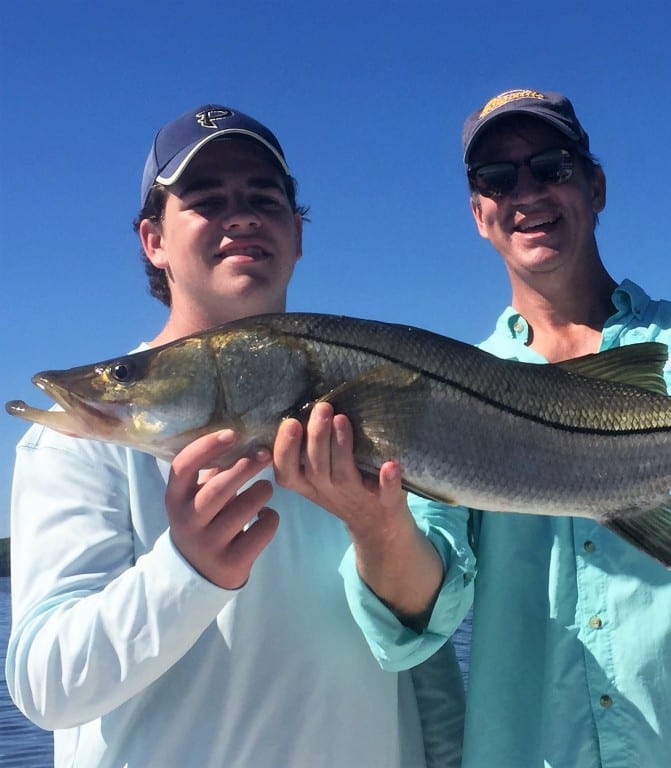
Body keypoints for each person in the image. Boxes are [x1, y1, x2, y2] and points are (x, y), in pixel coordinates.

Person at [5, 104, 469, 767]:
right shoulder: (82, 446)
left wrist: (382, 531)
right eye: (205, 200)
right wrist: (186, 567)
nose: (241, 215)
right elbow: (45, 685)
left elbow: (424, 672)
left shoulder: (369, 410)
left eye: (263, 197)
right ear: (153, 240)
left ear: (298, 234)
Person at [417, 89, 671, 767]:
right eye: (496, 178)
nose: (525, 191)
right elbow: (422, 602)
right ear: (478, 212)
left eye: (551, 166)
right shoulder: (445, 385)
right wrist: (371, 516)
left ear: (595, 184)